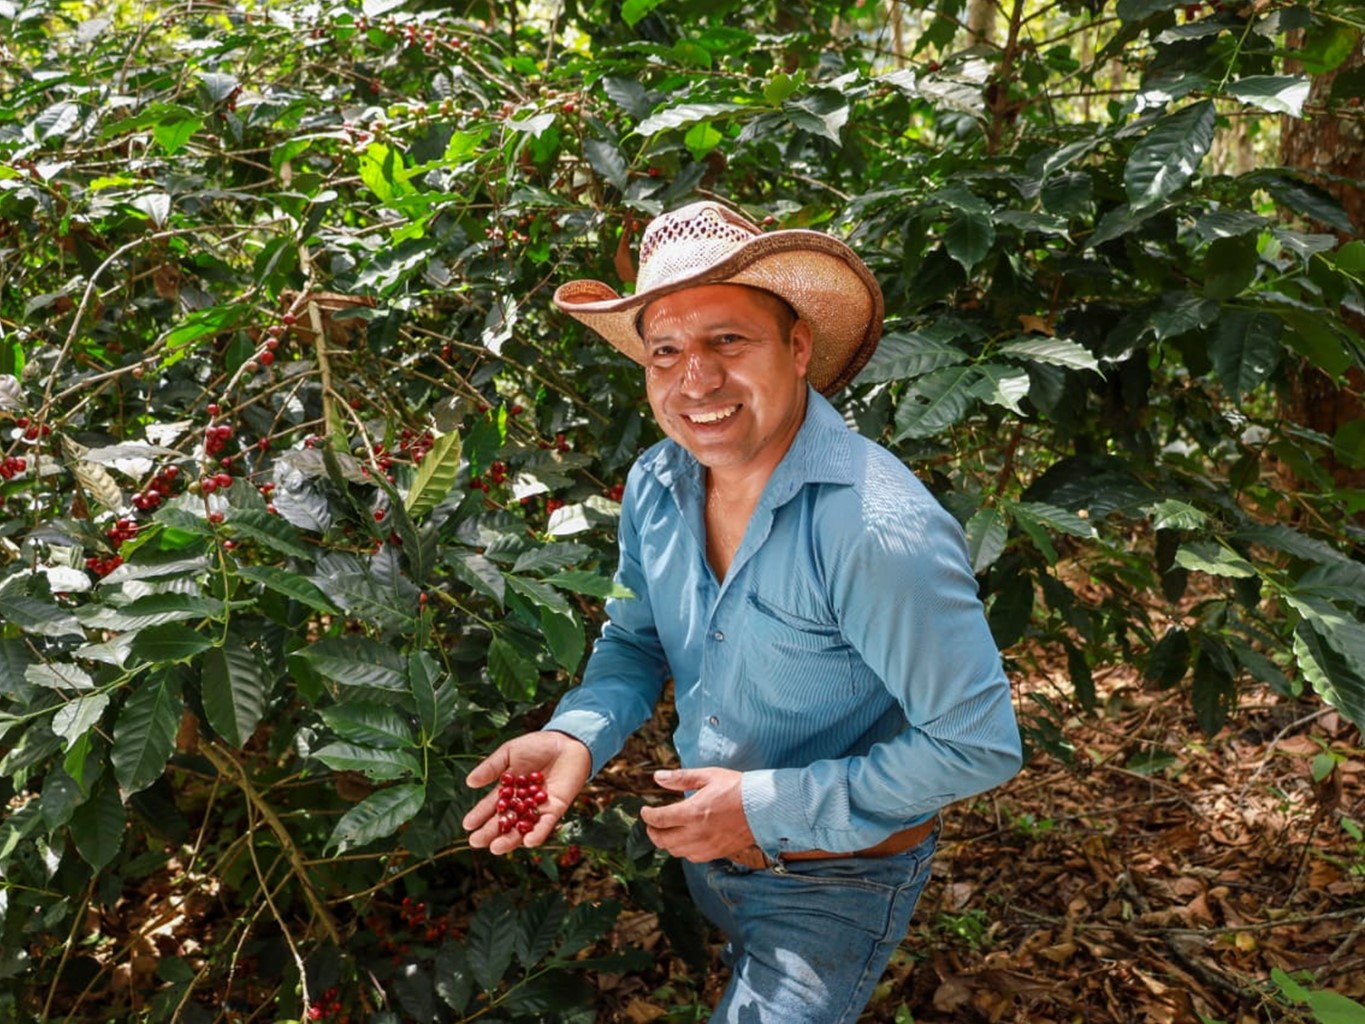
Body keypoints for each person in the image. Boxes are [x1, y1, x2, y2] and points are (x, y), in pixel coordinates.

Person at [462, 200, 1022, 1022]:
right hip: (712, 848)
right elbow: (634, 641)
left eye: (728, 340)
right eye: (665, 351)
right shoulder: (658, 483)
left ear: (797, 348)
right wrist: (576, 732)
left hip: (838, 873)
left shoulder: (873, 529)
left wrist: (760, 809)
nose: (695, 379)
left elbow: (976, 747)